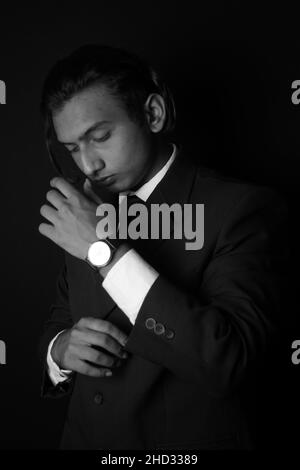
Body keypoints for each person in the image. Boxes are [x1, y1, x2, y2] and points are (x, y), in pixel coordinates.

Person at [38, 44, 287, 450]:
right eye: (72, 149)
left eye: (100, 137)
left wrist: (103, 250)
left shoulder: (241, 210)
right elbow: (59, 320)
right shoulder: (86, 206)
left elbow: (228, 361)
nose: (87, 165)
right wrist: (59, 352)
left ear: (152, 114)